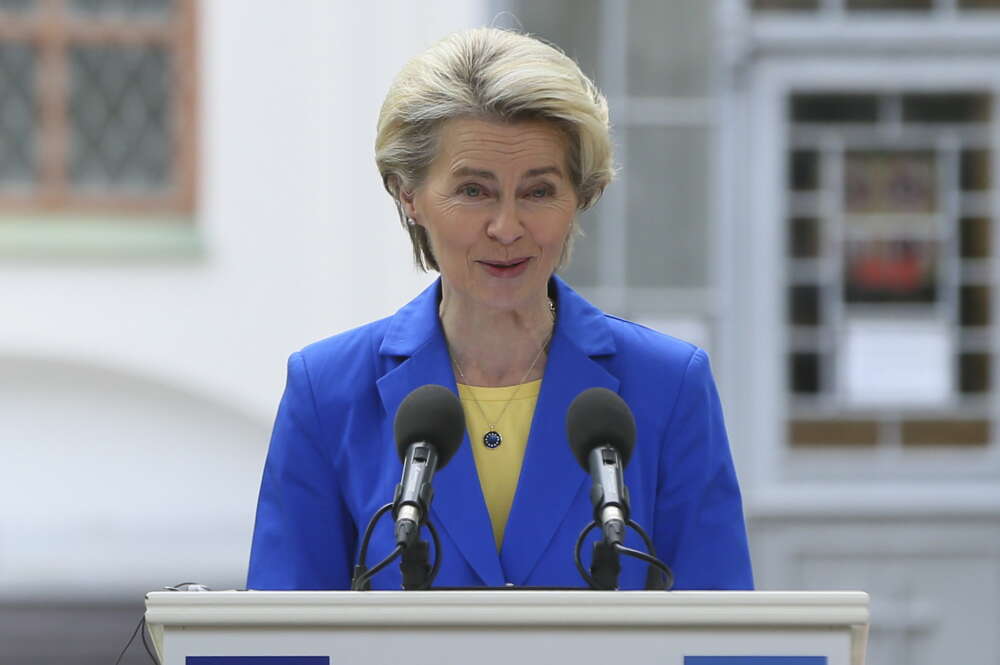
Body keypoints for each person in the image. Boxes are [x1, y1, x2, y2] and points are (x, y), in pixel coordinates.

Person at [247, 27, 752, 590]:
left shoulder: (669, 386)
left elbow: (725, 634)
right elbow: (280, 636)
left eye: (538, 192)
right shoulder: (328, 392)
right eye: (473, 191)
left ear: (580, 196)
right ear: (407, 194)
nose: (507, 228)